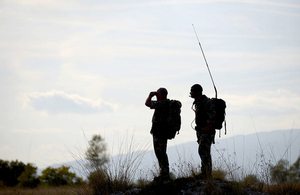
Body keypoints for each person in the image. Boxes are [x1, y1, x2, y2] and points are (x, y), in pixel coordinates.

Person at [190, 84, 216, 180]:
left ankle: (207, 174)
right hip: (201, 130)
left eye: (192, 90)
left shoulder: (206, 102)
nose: (190, 92)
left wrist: (208, 126)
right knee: (203, 151)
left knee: (203, 150)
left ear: (197, 92)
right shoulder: (198, 102)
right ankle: (205, 173)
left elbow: (213, 114)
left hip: (207, 131)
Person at [145, 87, 170, 181]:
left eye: (158, 94)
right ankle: (164, 173)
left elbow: (147, 103)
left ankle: (164, 174)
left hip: (159, 132)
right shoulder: (166, 103)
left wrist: (150, 95)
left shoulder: (162, 103)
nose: (156, 96)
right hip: (163, 131)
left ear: (162, 95)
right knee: (161, 152)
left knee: (160, 152)